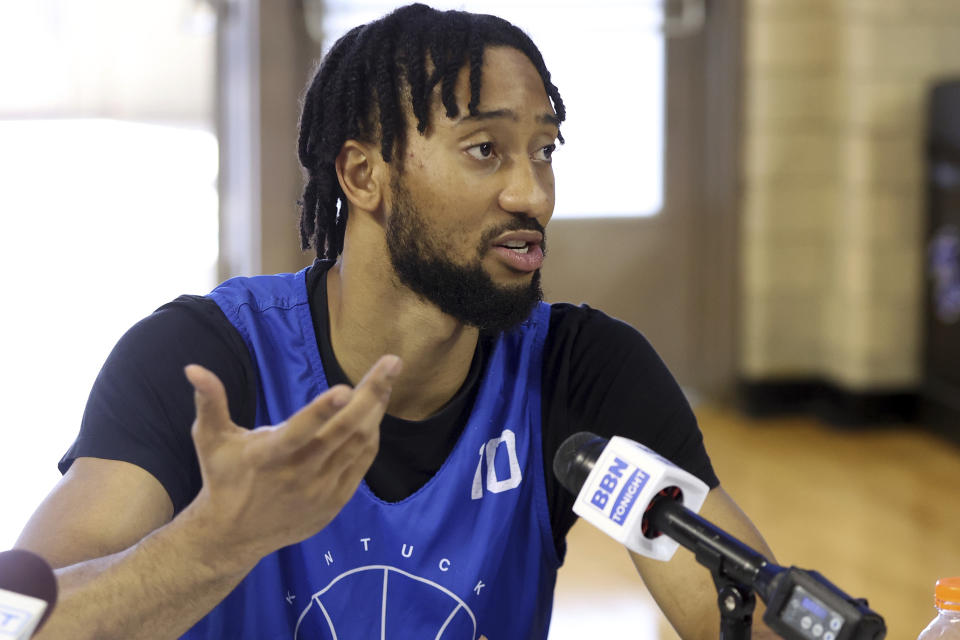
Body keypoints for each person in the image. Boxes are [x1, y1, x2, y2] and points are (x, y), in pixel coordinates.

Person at [16, 4, 777, 638]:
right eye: (486, 149)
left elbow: (731, 608)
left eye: (544, 151)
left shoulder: (581, 371)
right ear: (363, 175)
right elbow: (25, 621)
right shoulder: (204, 362)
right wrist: (218, 541)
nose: (532, 195)